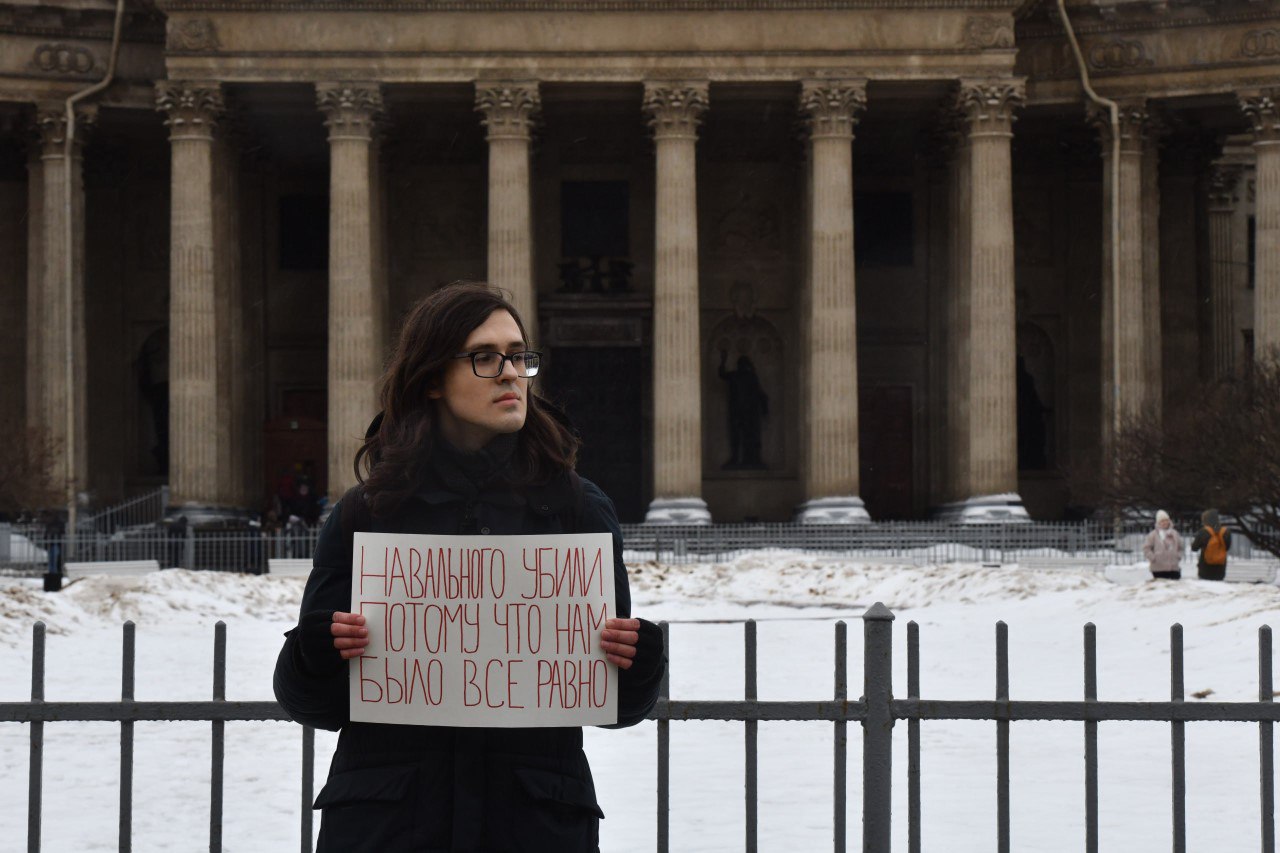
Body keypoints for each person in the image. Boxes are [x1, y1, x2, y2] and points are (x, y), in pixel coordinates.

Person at [273, 282, 666, 853]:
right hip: (391, 828)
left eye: (519, 356)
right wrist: (316, 651)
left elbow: (613, 704)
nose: (511, 373)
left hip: (532, 827)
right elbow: (310, 702)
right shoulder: (367, 513)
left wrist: (638, 665)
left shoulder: (578, 509)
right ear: (431, 378)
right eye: (485, 357)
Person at [1190, 508, 1232, 581]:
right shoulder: (1225, 532)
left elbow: (1194, 548)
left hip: (1205, 569)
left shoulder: (1203, 532)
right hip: (1220, 569)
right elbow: (1227, 547)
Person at [1141, 509, 1182, 580]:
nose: (1164, 522)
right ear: (1158, 523)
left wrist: (1178, 556)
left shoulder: (1175, 533)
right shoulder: (1153, 534)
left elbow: (1181, 547)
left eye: (1166, 520)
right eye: (1162, 521)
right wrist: (1153, 558)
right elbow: (1146, 548)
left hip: (1173, 567)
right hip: (1158, 568)